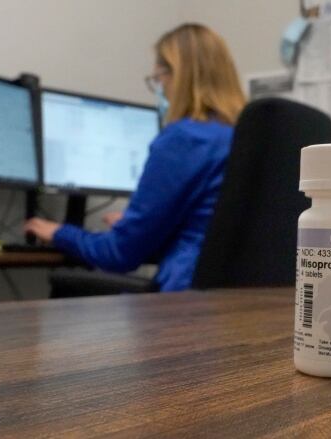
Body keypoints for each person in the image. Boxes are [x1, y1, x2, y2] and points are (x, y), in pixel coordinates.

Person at [25, 23, 246, 292]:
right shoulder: (243, 137)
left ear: (179, 76)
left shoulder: (185, 138)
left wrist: (60, 233)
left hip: (187, 305)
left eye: (159, 79)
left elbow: (119, 254)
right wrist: (136, 226)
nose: (160, 90)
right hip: (240, 304)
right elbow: (208, 232)